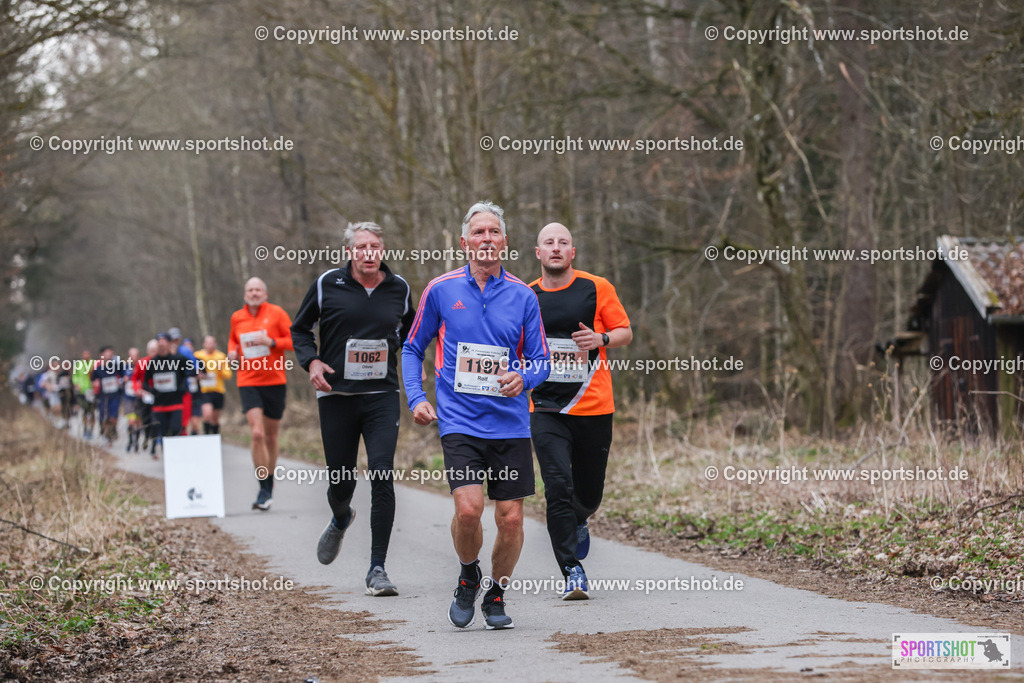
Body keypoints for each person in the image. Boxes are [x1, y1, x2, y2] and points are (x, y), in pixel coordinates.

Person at [402, 201, 550, 630]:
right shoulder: (441, 290)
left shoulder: (524, 296)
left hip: (510, 424)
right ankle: (469, 575)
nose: (487, 239)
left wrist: (523, 378)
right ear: (464, 242)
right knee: (468, 510)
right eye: (478, 233)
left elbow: (541, 360)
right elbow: (412, 348)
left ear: (505, 242)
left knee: (511, 518)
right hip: (459, 421)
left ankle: (497, 593)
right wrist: (416, 398)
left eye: (494, 233)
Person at [291, 221, 415, 596]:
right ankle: (341, 517)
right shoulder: (328, 284)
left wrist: (408, 361)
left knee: (382, 474)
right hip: (337, 397)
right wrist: (311, 361)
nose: (368, 252)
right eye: (360, 246)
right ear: (349, 251)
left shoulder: (400, 288)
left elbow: (412, 335)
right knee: (341, 480)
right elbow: (300, 330)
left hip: (381, 395)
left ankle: (377, 568)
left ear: (382, 249)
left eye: (374, 245)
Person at [529, 222, 632, 600]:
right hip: (545, 407)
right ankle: (572, 571)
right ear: (537, 253)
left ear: (573, 252)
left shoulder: (597, 287)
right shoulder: (526, 295)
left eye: (563, 242)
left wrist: (600, 338)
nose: (556, 248)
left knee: (588, 493)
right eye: (548, 243)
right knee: (557, 486)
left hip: (593, 407)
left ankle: (580, 516)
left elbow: (624, 331)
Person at [228, 277, 294, 510]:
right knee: (257, 433)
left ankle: (270, 481)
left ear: (265, 293)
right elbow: (233, 342)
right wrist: (232, 353)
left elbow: (293, 340)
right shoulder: (237, 317)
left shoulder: (277, 313)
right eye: (250, 289)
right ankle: (263, 487)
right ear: (245, 293)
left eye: (258, 289)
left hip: (275, 380)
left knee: (271, 436)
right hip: (248, 380)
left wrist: (272, 341)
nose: (254, 293)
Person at [141, 333, 190, 458]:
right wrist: (152, 391)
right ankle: (168, 456)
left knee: (175, 429)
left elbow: (188, 374)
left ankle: (176, 455)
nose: (162, 346)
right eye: (159, 344)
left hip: (176, 403)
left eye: (164, 343)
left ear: (169, 344)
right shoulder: (152, 362)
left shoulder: (178, 360)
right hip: (159, 405)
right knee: (162, 433)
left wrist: (183, 388)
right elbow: (145, 382)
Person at [193, 335, 232, 434]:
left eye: (212, 343)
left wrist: (220, 369)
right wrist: (198, 375)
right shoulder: (197, 356)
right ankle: (207, 437)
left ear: (215, 344)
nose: (210, 345)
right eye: (208, 342)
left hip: (218, 390)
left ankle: (215, 437)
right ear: (204, 344)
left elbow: (228, 374)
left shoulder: (221, 356)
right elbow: (191, 371)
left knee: (215, 419)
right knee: (207, 414)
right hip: (204, 390)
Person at [92, 346, 124, 444]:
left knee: (113, 416)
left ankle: (112, 430)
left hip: (115, 395)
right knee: (104, 417)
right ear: (101, 355)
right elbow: (93, 381)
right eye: (107, 353)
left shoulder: (116, 366)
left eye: (111, 353)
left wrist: (121, 381)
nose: (109, 355)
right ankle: (104, 432)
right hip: (103, 396)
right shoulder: (97, 369)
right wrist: (95, 384)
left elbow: (124, 377)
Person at [72, 349, 96, 438]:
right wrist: (76, 384)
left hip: (92, 390)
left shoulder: (94, 363)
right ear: (82, 355)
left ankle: (92, 430)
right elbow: (75, 376)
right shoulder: (79, 364)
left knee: (92, 412)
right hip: (82, 391)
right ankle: (85, 429)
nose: (86, 356)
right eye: (84, 354)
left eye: (88, 354)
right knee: (85, 411)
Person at [123, 347, 142, 452]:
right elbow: (118, 379)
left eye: (135, 355)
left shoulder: (142, 366)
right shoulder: (124, 367)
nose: (133, 358)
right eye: (131, 355)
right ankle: (130, 441)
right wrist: (123, 380)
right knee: (131, 421)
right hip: (128, 398)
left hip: (138, 398)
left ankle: (137, 442)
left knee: (138, 422)